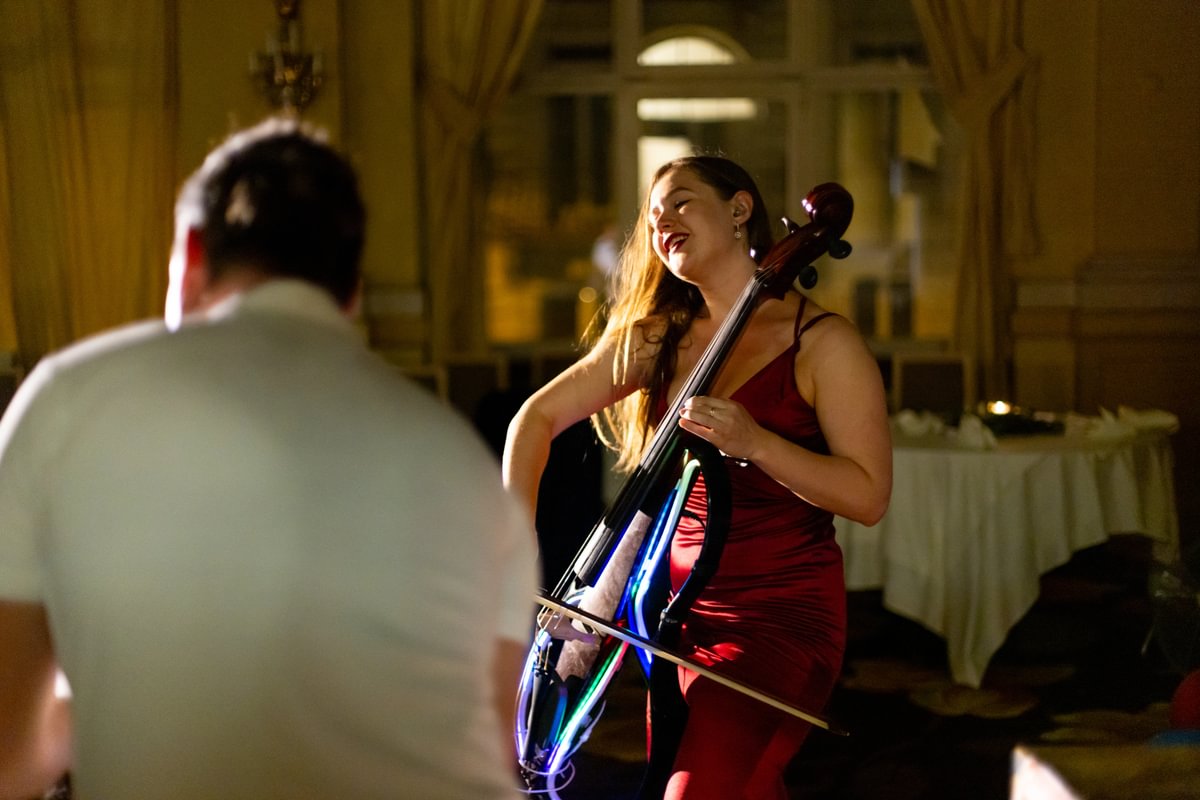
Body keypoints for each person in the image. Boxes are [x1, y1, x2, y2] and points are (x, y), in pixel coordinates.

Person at [0, 118, 537, 800]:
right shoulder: (466, 466)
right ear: (351, 293)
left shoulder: (68, 400)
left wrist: (114, 699)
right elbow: (491, 747)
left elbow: (8, 757)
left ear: (191, 253)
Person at [502, 156, 891, 799]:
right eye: (653, 214)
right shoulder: (661, 339)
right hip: (677, 618)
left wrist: (757, 443)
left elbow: (869, 495)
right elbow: (535, 419)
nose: (662, 221)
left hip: (781, 617)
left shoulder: (823, 342)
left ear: (740, 210)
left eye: (681, 201)